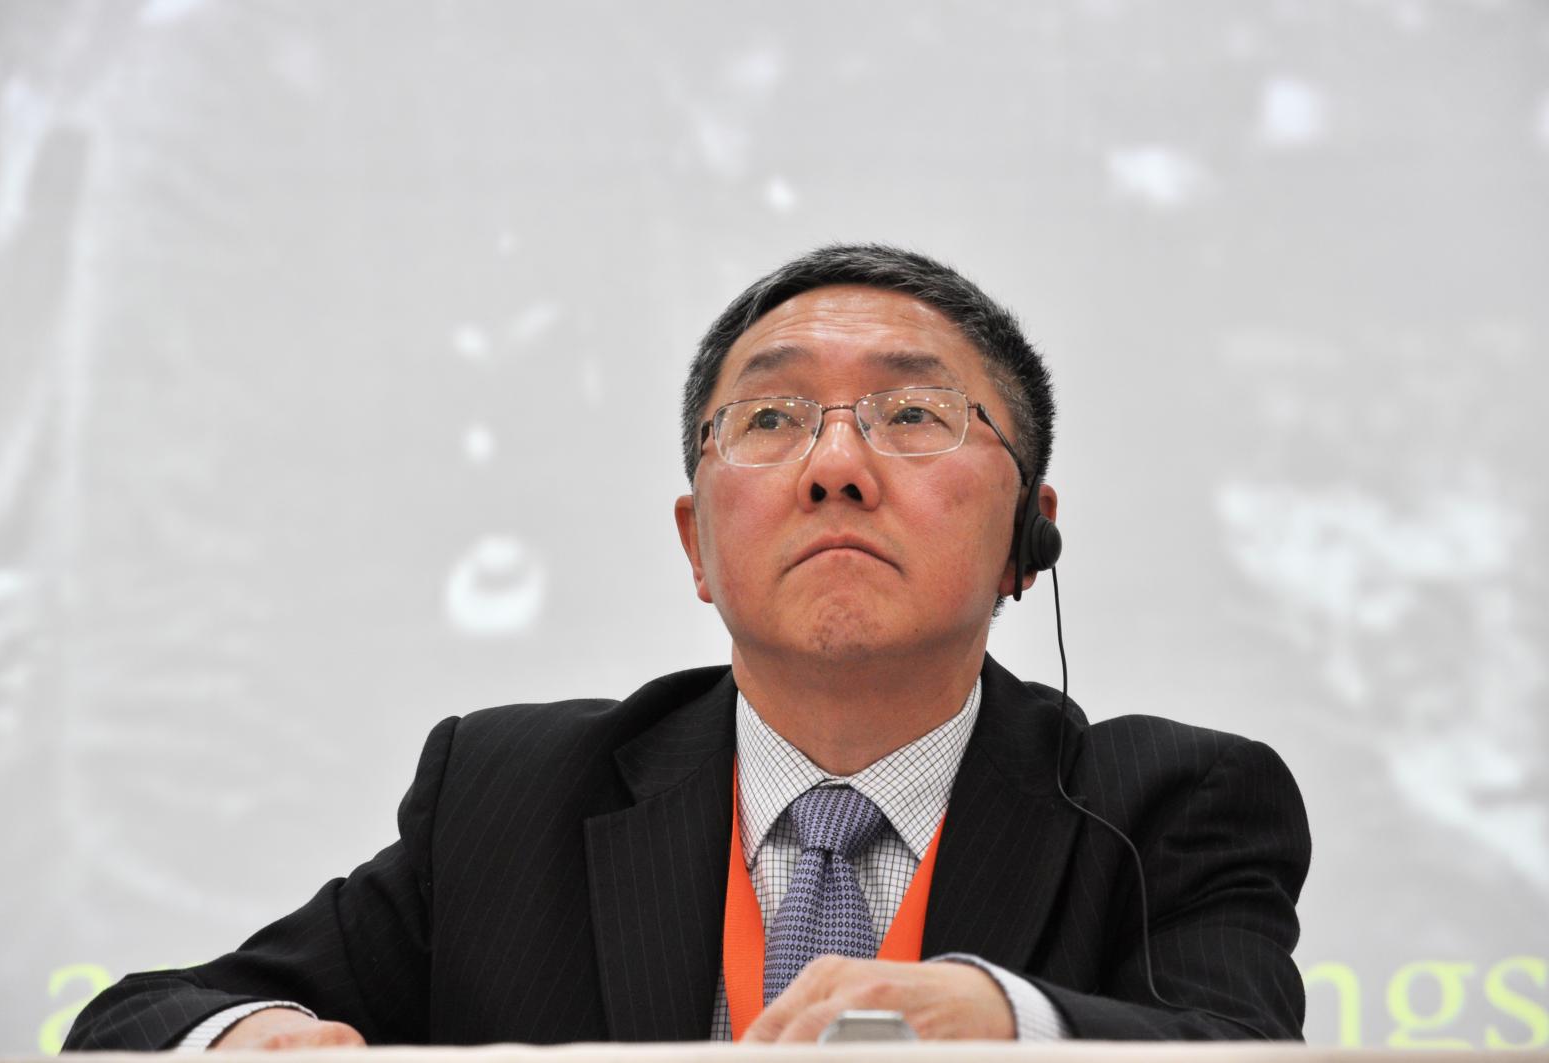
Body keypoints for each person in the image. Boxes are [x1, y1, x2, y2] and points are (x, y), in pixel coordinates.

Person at [64, 245, 1310, 1050]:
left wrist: (1006, 1023)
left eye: (911, 412)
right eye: (768, 418)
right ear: (696, 546)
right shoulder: (510, 796)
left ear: (1026, 539)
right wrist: (249, 1038)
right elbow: (138, 1017)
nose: (834, 466)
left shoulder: (1168, 804)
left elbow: (1239, 1049)